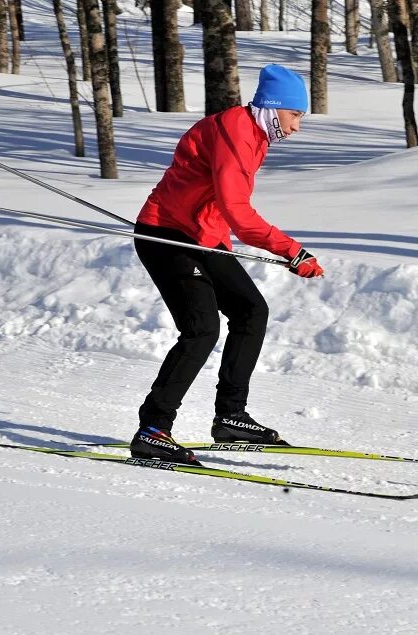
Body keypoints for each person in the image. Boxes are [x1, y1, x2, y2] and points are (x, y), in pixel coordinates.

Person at [129, 64, 324, 466]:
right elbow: (238, 210)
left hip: (202, 237)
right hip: (165, 235)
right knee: (201, 329)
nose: (296, 128)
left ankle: (231, 417)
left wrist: (224, 243)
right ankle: (153, 430)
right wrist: (290, 250)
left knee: (251, 310)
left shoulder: (255, 134)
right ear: (274, 107)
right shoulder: (236, 131)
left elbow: (218, 206)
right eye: (295, 115)